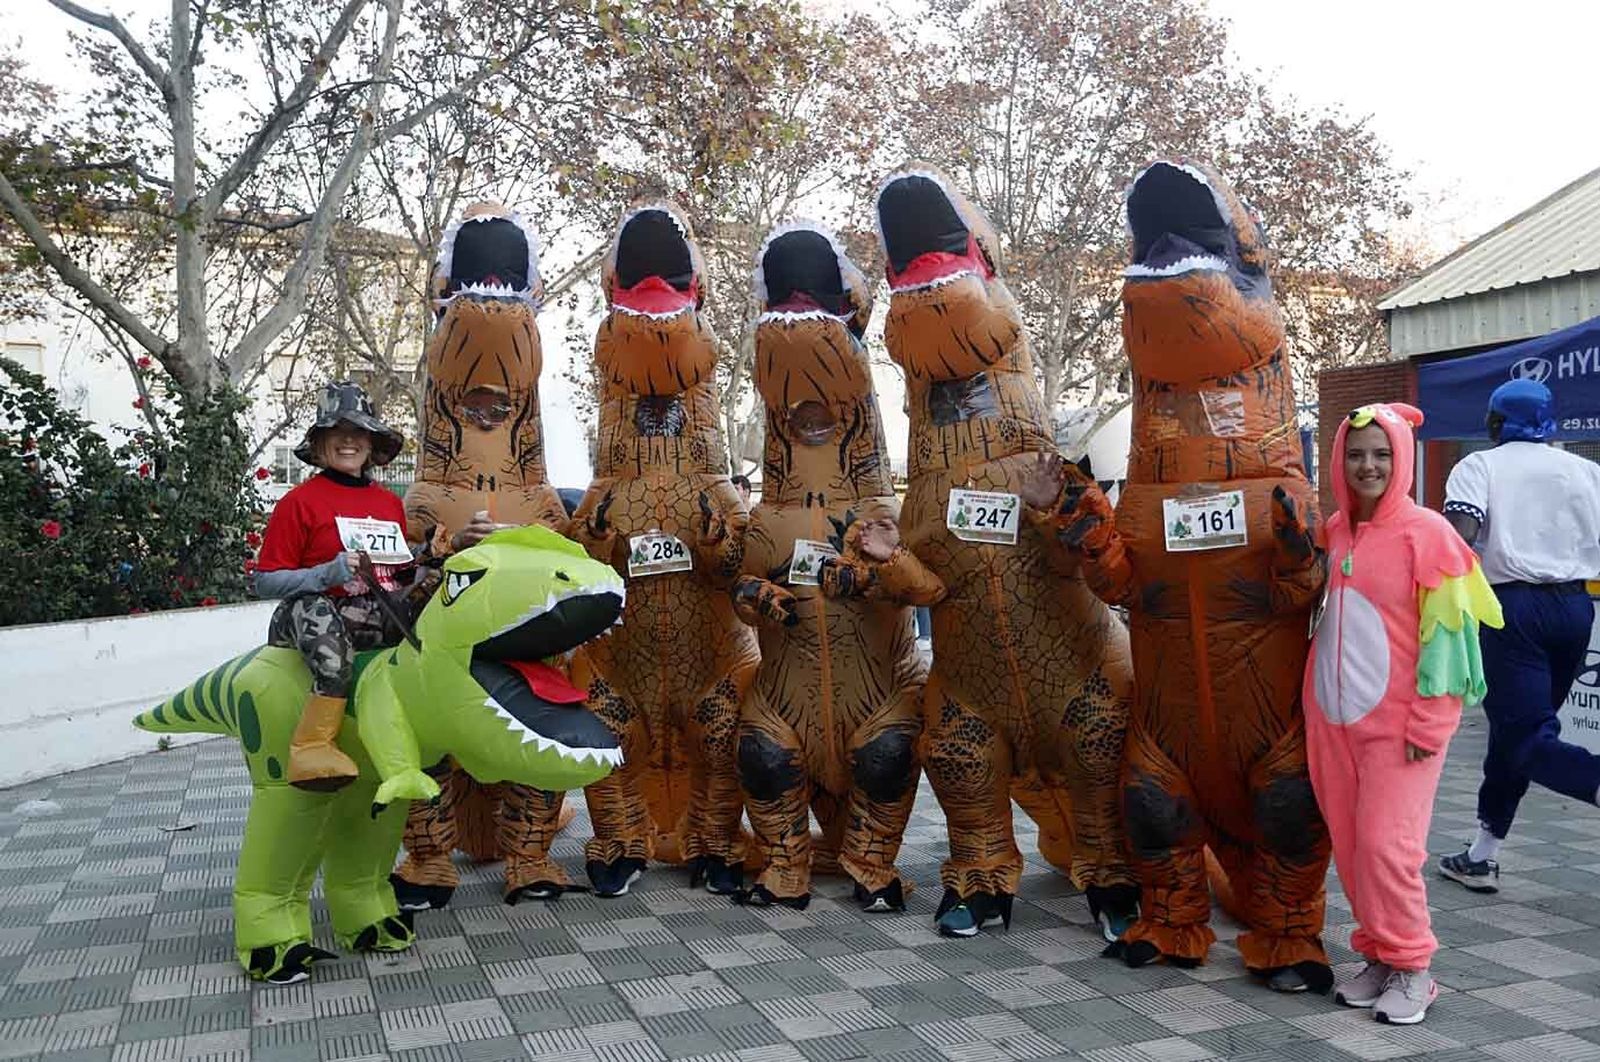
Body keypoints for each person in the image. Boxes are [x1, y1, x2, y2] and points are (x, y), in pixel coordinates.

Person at [1305, 403, 1502, 1025]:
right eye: (1357, 453)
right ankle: (1380, 957)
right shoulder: (1334, 530)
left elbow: (1451, 642)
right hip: (1332, 727)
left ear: (1404, 460)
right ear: (1339, 460)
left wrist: (1429, 725)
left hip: (1401, 732)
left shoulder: (1431, 535)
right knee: (1354, 849)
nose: (1369, 465)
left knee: (1390, 848)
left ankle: (1414, 967)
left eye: (1382, 454)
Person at [1436, 379, 1600, 891]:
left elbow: (1457, 538)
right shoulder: (1589, 471)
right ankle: (1483, 854)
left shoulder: (1479, 466)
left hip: (1512, 609)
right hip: (1577, 608)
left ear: (1495, 422)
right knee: (1517, 732)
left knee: (1528, 737)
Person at [256, 381, 434, 791]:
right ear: (320, 445)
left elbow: (398, 574)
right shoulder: (298, 502)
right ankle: (312, 747)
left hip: (377, 612)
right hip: (314, 617)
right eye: (338, 433)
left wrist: (435, 555)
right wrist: (327, 573)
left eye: (359, 433)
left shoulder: (389, 502)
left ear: (372, 445)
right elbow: (265, 581)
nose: (349, 441)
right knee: (315, 608)